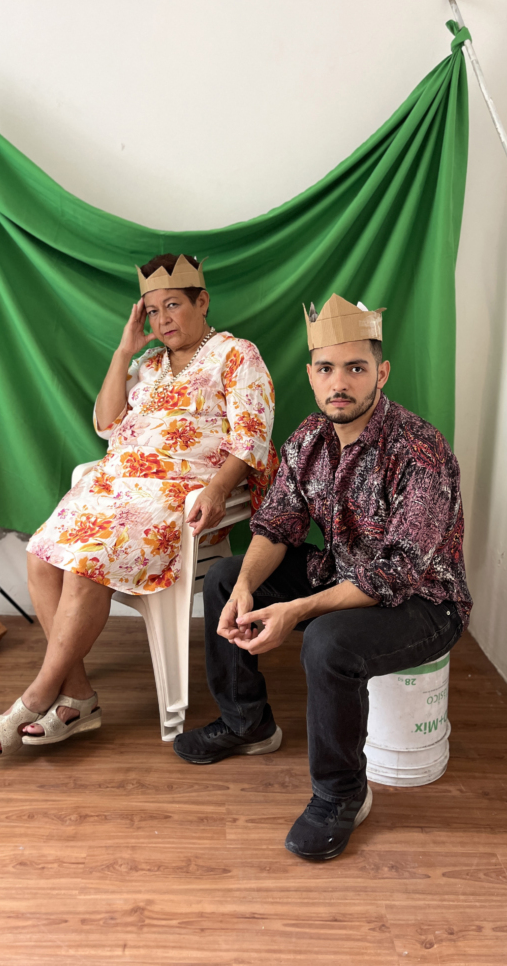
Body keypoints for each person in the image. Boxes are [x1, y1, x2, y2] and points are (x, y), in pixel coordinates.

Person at [173, 293, 472, 861]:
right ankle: (248, 724)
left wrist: (298, 612)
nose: (341, 382)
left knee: (329, 642)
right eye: (328, 369)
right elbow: (278, 524)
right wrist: (244, 590)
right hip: (342, 574)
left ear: (380, 373)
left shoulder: (419, 450)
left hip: (424, 602)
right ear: (311, 375)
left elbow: (396, 574)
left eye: (356, 368)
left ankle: (341, 794)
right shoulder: (309, 439)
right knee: (227, 577)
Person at [0, 254, 277, 756]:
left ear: (203, 301)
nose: (163, 321)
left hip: (176, 495)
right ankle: (78, 696)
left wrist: (220, 490)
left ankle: (38, 696)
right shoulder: (148, 364)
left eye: (174, 306)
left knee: (85, 562)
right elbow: (107, 425)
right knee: (42, 555)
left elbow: (253, 440)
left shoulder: (236, 354)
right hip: (115, 485)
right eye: (153, 311)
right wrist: (122, 353)